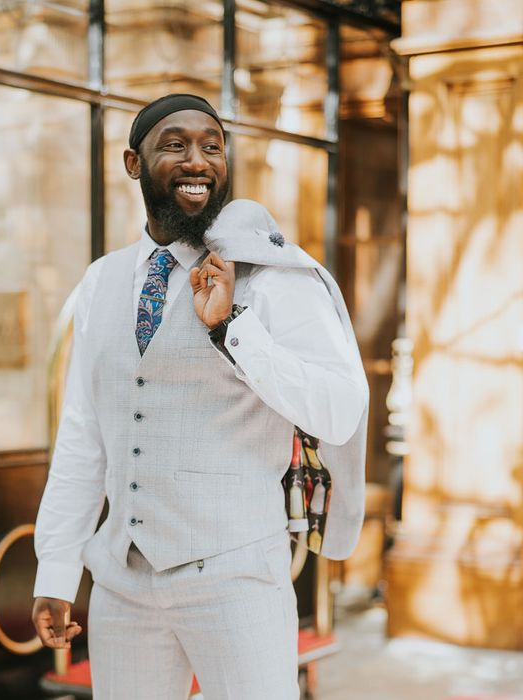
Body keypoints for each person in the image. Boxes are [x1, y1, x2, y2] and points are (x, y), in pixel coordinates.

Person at [31, 93, 368, 699]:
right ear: (134, 164)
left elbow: (341, 410)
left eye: (212, 146)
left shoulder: (272, 277)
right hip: (121, 586)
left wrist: (230, 330)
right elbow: (84, 436)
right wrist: (56, 568)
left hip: (237, 579)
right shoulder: (100, 281)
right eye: (175, 145)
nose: (198, 161)